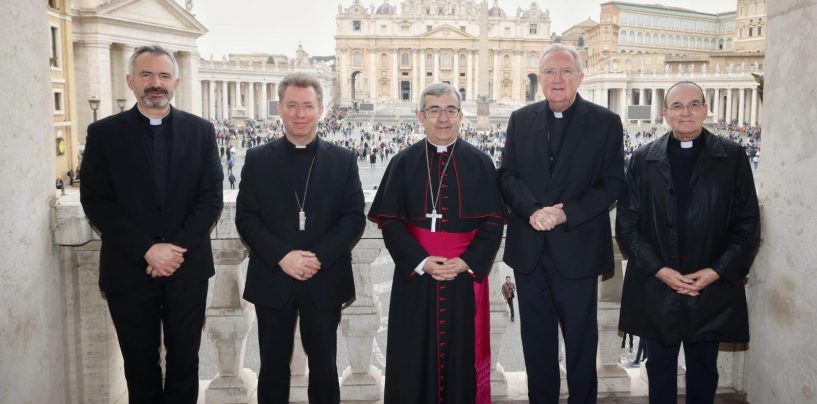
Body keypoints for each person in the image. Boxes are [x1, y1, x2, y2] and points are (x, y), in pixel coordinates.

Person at [80, 45, 223, 404]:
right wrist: (148, 248)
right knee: (139, 365)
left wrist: (174, 251)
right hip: (129, 269)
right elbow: (96, 199)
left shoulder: (202, 131)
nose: (155, 83)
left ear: (175, 81)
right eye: (146, 75)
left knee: (185, 362)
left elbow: (210, 198)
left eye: (162, 76)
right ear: (130, 81)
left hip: (186, 267)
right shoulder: (103, 133)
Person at [616, 81, 760, 403]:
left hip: (709, 286)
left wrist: (716, 271)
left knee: (704, 368)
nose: (686, 112)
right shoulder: (641, 160)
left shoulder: (733, 158)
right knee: (660, 368)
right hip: (658, 285)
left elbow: (748, 225)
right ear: (665, 113)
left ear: (706, 110)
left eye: (694, 104)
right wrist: (660, 270)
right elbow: (627, 224)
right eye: (677, 106)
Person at [498, 43, 625, 404]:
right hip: (530, 251)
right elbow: (507, 176)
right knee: (536, 344)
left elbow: (613, 183)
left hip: (579, 249)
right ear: (539, 79)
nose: (557, 79)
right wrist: (533, 211)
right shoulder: (520, 120)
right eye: (549, 72)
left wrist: (565, 211)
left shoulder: (605, 122)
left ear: (580, 77)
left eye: (565, 71)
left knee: (582, 345)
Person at [368, 83, 506, 403]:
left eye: (450, 110)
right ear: (421, 116)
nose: (443, 117)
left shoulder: (481, 163)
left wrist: (468, 261)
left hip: (462, 278)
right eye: (434, 110)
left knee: (461, 358)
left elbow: (493, 220)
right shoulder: (402, 163)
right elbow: (389, 220)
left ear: (461, 116)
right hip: (416, 277)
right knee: (412, 355)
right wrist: (421, 261)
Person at [236, 72, 365, 404]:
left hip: (324, 276)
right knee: (273, 368)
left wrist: (317, 257)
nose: (300, 113)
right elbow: (246, 218)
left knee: (324, 367)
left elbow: (353, 218)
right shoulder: (258, 158)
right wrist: (283, 256)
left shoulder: (343, 159)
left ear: (321, 109)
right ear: (279, 109)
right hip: (273, 275)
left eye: (308, 105)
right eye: (291, 105)